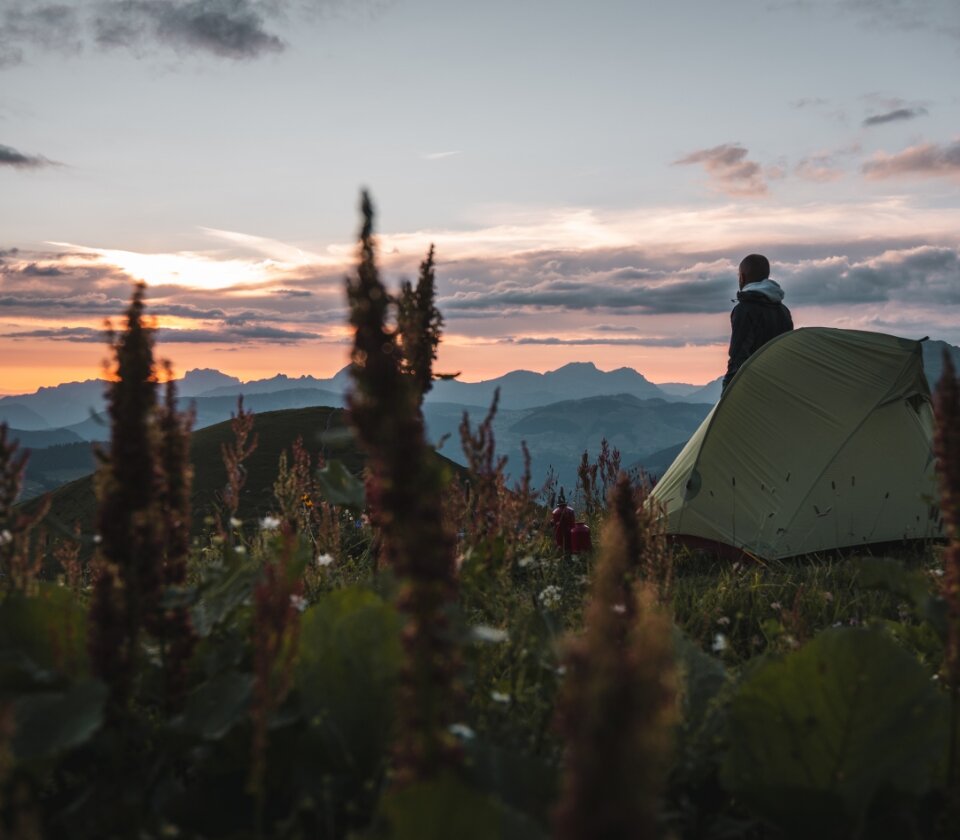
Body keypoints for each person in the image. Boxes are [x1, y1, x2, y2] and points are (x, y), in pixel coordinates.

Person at [721, 254, 793, 391]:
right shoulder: (783, 311)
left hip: (752, 386)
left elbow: (738, 356)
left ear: (742, 277)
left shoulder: (744, 310)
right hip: (778, 385)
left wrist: (727, 390)